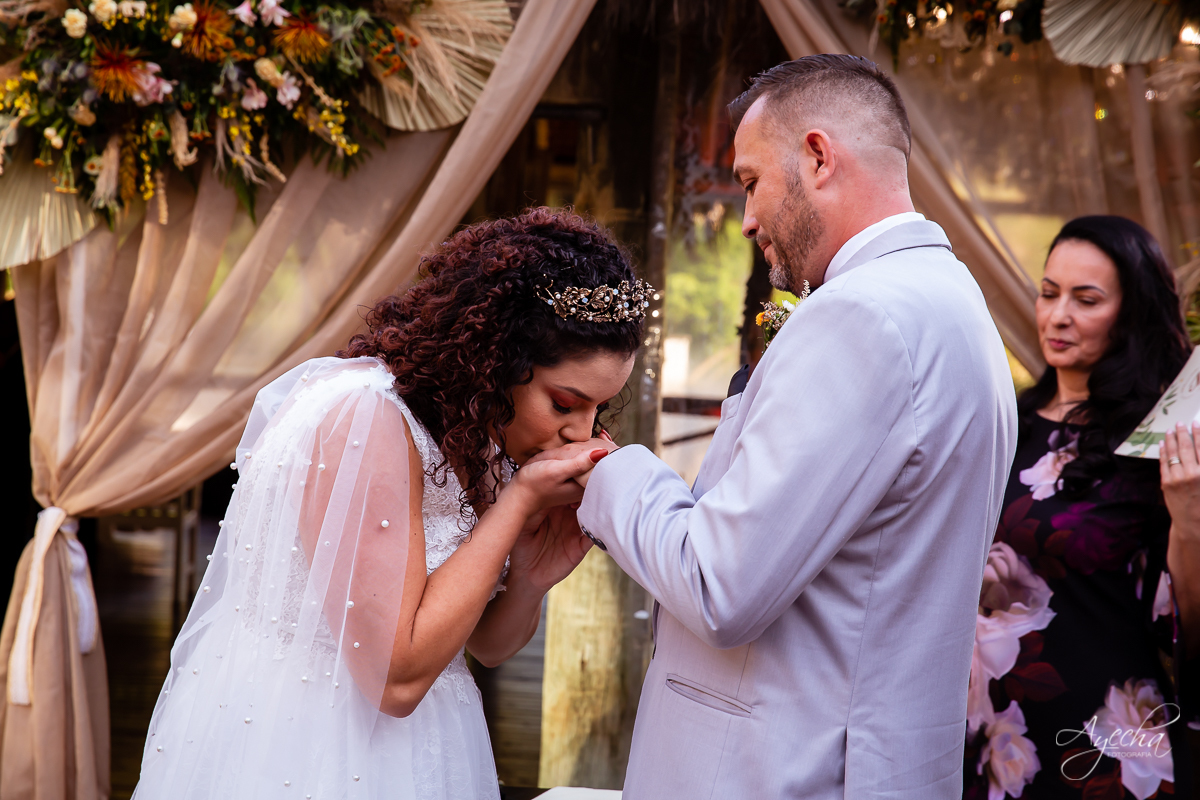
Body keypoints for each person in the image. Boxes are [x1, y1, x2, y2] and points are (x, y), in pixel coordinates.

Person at [529, 54, 1017, 799]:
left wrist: (610, 470)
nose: (747, 216)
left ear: (819, 156)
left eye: (752, 181)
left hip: (782, 770)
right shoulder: (958, 305)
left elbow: (720, 585)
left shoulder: (863, 317)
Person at [130, 208, 646, 799]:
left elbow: (486, 646)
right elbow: (395, 681)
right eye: (564, 404)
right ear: (498, 360)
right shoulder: (366, 417)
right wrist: (515, 507)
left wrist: (531, 578)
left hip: (425, 744)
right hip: (313, 743)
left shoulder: (477, 431)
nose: (582, 434)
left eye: (596, 412)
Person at [962, 216, 1197, 800]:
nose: (1058, 315)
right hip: (988, 740)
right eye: (1049, 293)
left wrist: (1190, 517)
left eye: (1086, 299)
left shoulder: (1156, 443)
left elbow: (1185, 625)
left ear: (1131, 313)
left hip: (1107, 752)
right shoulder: (1002, 421)